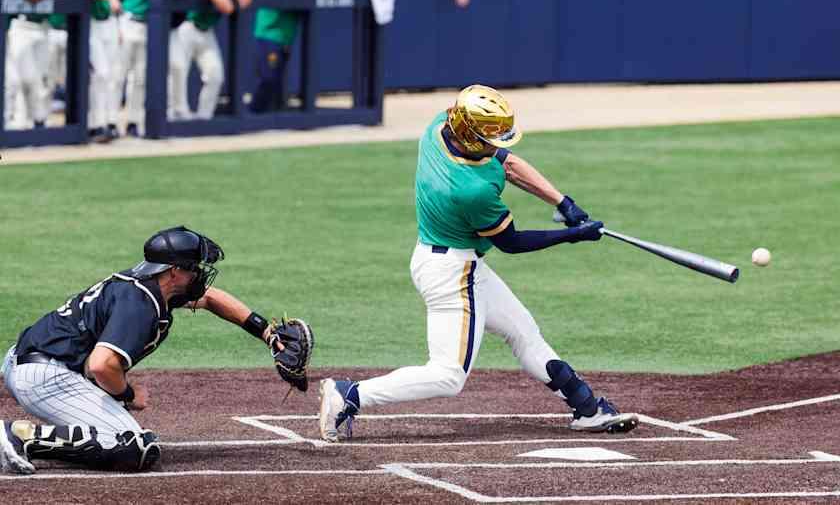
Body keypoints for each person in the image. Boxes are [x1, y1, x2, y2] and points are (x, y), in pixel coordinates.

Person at [319, 85, 639, 442]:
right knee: (448, 375)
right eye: (490, 139)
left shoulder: (438, 129)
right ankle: (350, 394)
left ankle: (587, 409)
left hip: (442, 259)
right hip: (454, 274)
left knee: (523, 333)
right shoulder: (470, 190)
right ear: (471, 137)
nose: (497, 146)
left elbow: (510, 164)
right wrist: (573, 235)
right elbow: (512, 243)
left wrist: (564, 202)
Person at [0, 226, 293, 474]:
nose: (200, 276)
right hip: (46, 376)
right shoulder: (140, 303)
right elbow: (101, 365)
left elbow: (213, 298)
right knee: (133, 446)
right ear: (175, 272)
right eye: (195, 269)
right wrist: (127, 394)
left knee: (122, 436)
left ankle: (53, 434)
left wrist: (267, 333)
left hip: (32, 363)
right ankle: (20, 434)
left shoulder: (152, 285)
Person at [75, 0, 157, 142]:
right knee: (101, 74)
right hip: (91, 23)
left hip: (112, 23)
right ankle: (95, 124)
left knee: (112, 75)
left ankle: (109, 123)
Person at [169, 0, 253, 120]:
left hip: (207, 31)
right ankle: (177, 114)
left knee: (215, 74)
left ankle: (204, 117)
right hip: (187, 27)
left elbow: (228, 6)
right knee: (178, 71)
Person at [120, 0, 187, 137]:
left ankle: (133, 121)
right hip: (127, 21)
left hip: (148, 25)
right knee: (117, 74)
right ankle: (108, 122)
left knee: (140, 77)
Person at [251, 0, 326, 113]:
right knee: (268, 77)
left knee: (279, 79)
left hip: (286, 37)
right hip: (269, 34)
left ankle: (275, 115)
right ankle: (254, 112)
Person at [1, 0, 51, 129]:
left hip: (9, 31)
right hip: (13, 31)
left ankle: (18, 123)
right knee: (11, 81)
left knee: (17, 80)